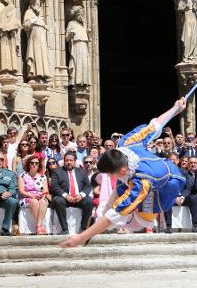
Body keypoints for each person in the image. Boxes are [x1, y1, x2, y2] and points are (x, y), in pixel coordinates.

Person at [59, 98, 189, 247]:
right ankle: (99, 217)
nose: (108, 177)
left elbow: (114, 215)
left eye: (110, 175)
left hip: (164, 186)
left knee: (140, 222)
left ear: (121, 170)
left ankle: (108, 221)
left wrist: (81, 237)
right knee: (115, 199)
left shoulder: (141, 182)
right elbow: (156, 125)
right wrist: (175, 109)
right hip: (138, 172)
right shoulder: (126, 143)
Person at [50, 152, 93, 235]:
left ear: (75, 161)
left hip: (79, 198)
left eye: (71, 160)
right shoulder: (57, 171)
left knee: (89, 202)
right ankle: (65, 229)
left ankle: (83, 228)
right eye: (67, 160)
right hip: (64, 199)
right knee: (58, 201)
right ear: (64, 161)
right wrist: (66, 196)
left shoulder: (81, 172)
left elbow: (88, 186)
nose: (69, 162)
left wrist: (81, 195)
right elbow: (54, 186)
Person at [18, 155, 49, 235]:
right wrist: (32, 196)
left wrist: (42, 195)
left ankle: (38, 226)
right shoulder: (22, 176)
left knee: (43, 202)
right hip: (27, 197)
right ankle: (40, 226)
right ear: (29, 164)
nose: (34, 165)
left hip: (40, 196)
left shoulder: (43, 177)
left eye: (36, 163)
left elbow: (45, 190)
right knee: (34, 201)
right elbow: (21, 191)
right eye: (32, 163)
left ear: (39, 165)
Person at [170, 155, 197, 232]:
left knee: (193, 198)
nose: (173, 161)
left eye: (174, 159)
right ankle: (168, 226)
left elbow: (188, 187)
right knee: (166, 200)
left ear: (178, 161)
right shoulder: (164, 172)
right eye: (170, 159)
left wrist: (182, 197)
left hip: (183, 197)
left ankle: (195, 225)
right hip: (171, 197)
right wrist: (175, 197)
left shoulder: (184, 172)